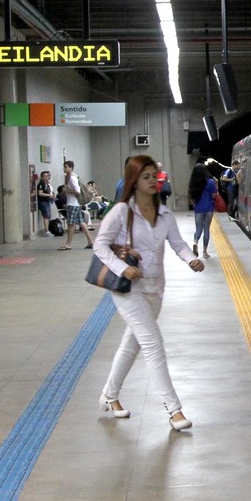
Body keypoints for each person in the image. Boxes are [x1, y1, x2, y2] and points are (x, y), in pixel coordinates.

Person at [94, 155, 204, 430]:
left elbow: (177, 243)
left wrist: (190, 258)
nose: (153, 181)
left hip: (156, 287)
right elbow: (100, 246)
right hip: (128, 289)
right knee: (153, 345)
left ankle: (109, 395)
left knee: (132, 343)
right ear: (134, 180)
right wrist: (122, 268)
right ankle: (174, 410)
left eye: (155, 176)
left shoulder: (165, 215)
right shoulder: (121, 212)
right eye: (146, 177)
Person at [59, 160, 95, 250]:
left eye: (66, 167)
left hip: (73, 204)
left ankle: (68, 244)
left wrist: (67, 191)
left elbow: (78, 192)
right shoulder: (69, 177)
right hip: (75, 203)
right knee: (81, 222)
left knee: (71, 224)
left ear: (70, 168)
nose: (64, 168)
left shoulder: (72, 178)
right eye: (64, 166)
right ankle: (90, 241)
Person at [187, 163, 218, 258]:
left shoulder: (193, 183)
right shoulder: (211, 182)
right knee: (206, 229)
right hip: (209, 208)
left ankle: (195, 242)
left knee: (198, 229)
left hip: (198, 209)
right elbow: (214, 195)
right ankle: (205, 252)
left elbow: (191, 199)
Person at [36, 170, 57, 237]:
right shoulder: (41, 185)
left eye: (47, 176)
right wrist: (48, 195)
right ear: (42, 177)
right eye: (45, 176)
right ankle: (46, 231)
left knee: (48, 216)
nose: (46, 177)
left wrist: (52, 195)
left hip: (48, 201)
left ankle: (48, 230)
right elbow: (40, 193)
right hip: (43, 202)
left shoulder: (48, 184)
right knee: (46, 216)